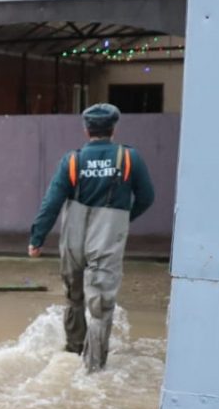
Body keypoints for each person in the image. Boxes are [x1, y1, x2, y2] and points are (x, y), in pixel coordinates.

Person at [27, 103, 155, 373]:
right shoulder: (129, 158)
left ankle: (73, 349)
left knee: (74, 297)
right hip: (107, 241)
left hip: (74, 241)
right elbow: (147, 198)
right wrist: (122, 219)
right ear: (114, 128)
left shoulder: (73, 160)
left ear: (86, 130)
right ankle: (94, 369)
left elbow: (52, 202)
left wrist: (37, 238)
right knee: (101, 305)